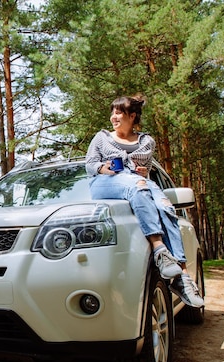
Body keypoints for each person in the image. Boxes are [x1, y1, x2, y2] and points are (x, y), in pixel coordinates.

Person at [85, 95, 204, 308]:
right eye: (113, 112)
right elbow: (91, 164)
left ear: (132, 116)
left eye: (119, 112)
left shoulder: (147, 141)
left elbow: (146, 171)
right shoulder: (101, 138)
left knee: (166, 206)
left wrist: (142, 171)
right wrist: (106, 168)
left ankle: (182, 277)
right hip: (106, 182)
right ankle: (159, 248)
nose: (114, 117)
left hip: (139, 182)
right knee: (137, 186)